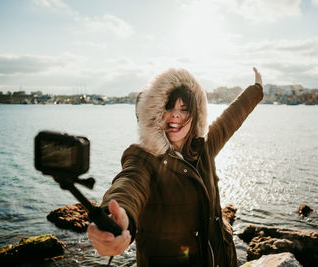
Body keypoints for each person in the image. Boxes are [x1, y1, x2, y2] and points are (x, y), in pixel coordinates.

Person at [88, 67, 263, 267]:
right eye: (168, 108)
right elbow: (128, 184)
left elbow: (231, 118)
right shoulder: (143, 158)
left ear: (195, 114)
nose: (176, 115)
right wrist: (116, 220)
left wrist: (256, 89)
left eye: (184, 108)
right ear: (154, 114)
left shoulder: (203, 148)